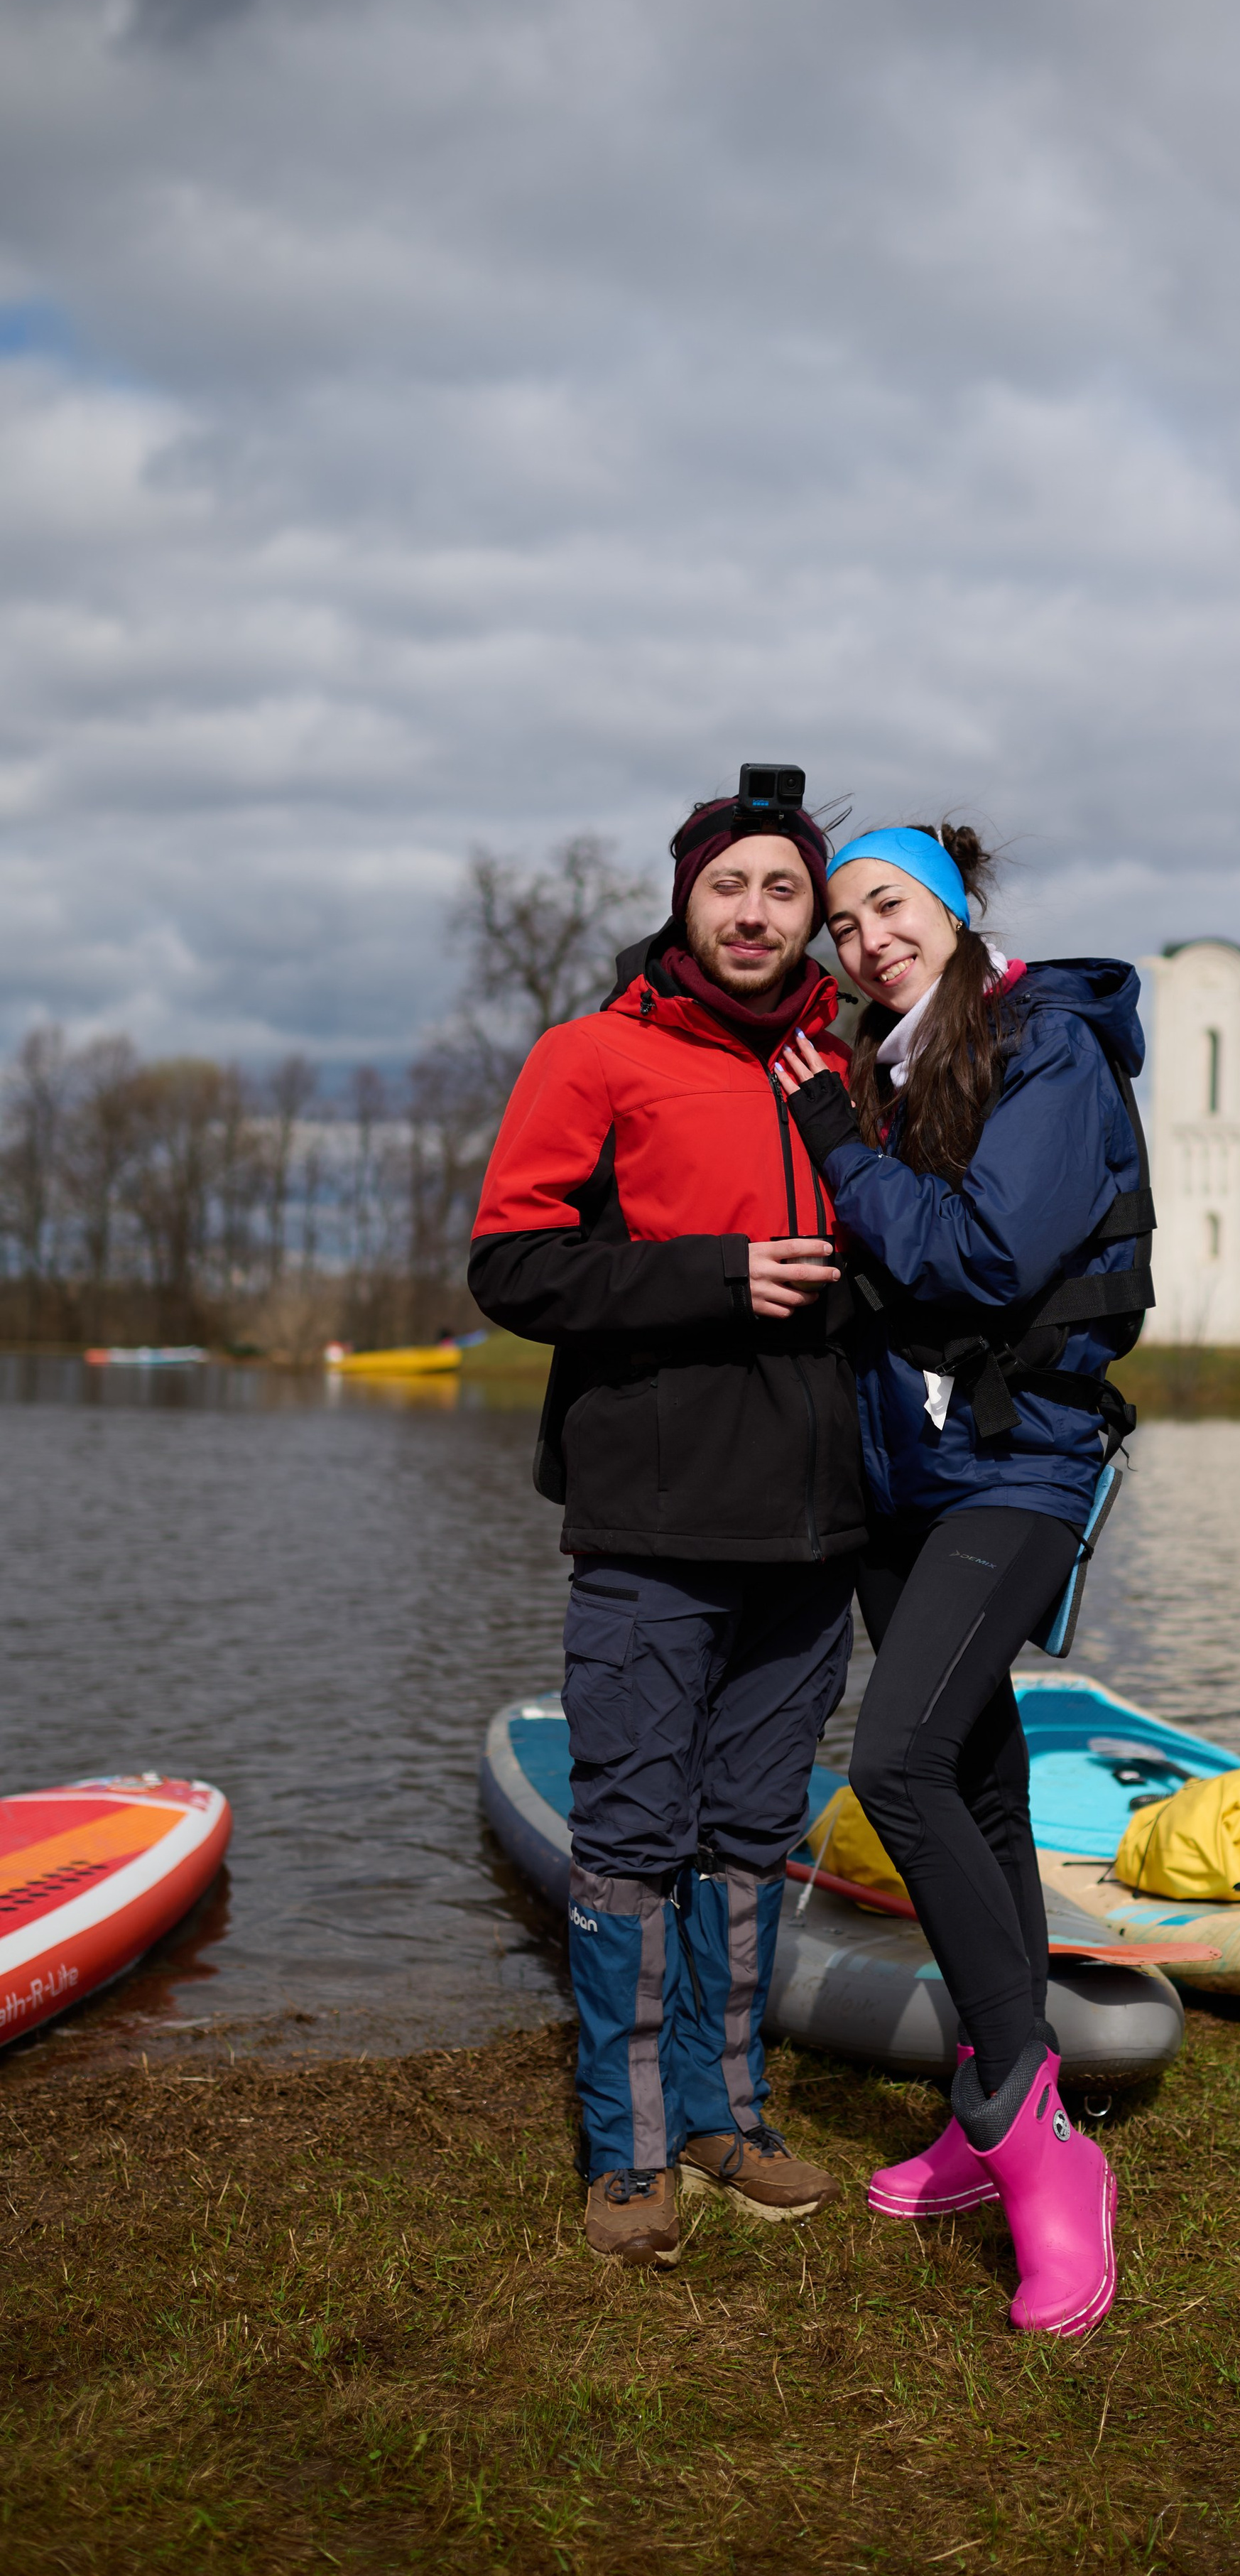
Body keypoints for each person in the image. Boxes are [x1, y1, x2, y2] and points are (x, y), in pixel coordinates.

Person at [468, 778, 866, 2269]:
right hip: (650, 1525)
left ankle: (729, 2114)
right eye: (730, 887)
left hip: (813, 1536)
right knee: (632, 1837)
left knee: (755, 1835)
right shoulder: (595, 1053)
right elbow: (511, 1266)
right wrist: (714, 1274)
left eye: (782, 889)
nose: (755, 913)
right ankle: (628, 2146)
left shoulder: (842, 1065)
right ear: (687, 898)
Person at [774, 822, 1149, 2338]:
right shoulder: (871, 1059)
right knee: (979, 1783)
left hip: (1021, 1467)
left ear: (951, 906)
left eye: (890, 907)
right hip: (898, 1479)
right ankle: (993, 2104)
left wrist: (840, 1150)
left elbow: (986, 1257)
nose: (867, 939)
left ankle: (1037, 2148)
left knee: (902, 1758)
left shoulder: (1044, 1048)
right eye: (845, 922)